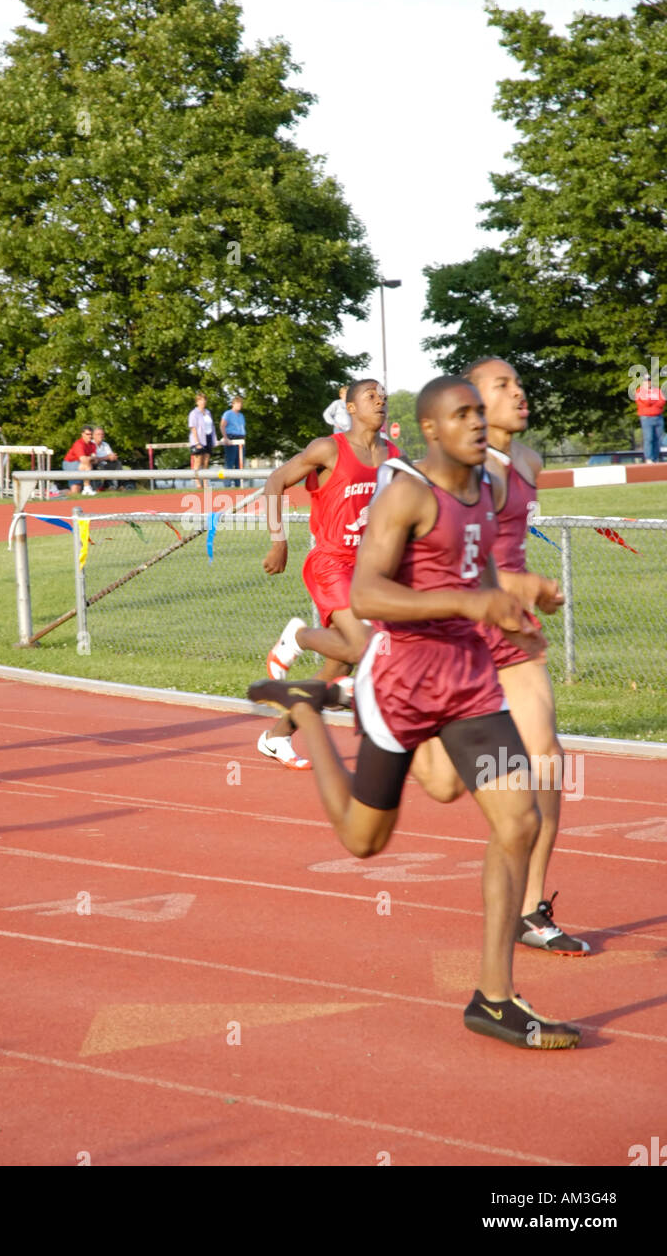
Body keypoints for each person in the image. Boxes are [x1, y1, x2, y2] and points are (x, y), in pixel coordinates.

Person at [248, 376, 580, 1049]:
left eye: (478, 413)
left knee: (518, 820)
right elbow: (367, 595)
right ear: (430, 429)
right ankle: (311, 710)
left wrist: (512, 600)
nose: (477, 423)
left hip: (468, 682)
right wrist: (468, 605)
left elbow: (476, 569)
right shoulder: (407, 493)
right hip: (398, 684)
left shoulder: (484, 490)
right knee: (364, 841)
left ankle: (493, 997)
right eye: (463, 415)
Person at [411, 358, 588, 955]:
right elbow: (457, 563)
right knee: (440, 786)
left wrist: (530, 593)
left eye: (518, 383)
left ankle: (531, 910)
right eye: (501, 386)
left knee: (548, 760)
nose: (518, 392)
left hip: (512, 636)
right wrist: (522, 583)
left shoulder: (530, 461)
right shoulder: (461, 472)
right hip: (453, 634)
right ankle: (399, 722)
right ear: (473, 405)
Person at [258, 379, 397, 770]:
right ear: (350, 407)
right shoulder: (328, 449)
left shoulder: (394, 455)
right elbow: (274, 482)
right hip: (331, 562)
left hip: (370, 570)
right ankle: (298, 635)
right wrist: (278, 540)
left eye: (383, 395)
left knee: (339, 667)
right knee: (360, 647)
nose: (381, 401)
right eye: (371, 396)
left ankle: (277, 735)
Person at [635, 371, 665, 463]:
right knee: (649, 438)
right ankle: (649, 458)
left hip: (658, 416)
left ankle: (655, 458)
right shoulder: (639, 391)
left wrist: (652, 401)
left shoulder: (657, 390)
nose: (648, 382)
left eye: (649, 380)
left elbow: (662, 401)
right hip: (646, 418)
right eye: (646, 381)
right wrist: (653, 401)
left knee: (658, 439)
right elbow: (646, 402)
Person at [188, 393, 216, 486]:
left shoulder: (208, 412)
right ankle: (197, 482)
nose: (202, 402)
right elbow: (193, 428)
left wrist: (213, 439)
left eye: (204, 400)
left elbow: (212, 426)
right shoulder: (194, 413)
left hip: (207, 437)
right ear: (197, 402)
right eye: (200, 400)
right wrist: (197, 442)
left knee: (206, 461)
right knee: (198, 461)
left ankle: (205, 481)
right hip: (198, 439)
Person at [220, 395, 246, 487]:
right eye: (237, 403)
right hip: (231, 438)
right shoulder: (228, 414)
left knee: (240, 462)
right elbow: (222, 425)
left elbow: (242, 428)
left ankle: (238, 484)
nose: (239, 405)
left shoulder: (241, 415)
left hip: (241, 439)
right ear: (233, 404)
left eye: (240, 404)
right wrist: (225, 438)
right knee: (229, 462)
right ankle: (227, 484)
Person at [63, 427, 97, 496]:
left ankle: (86, 488)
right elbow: (84, 459)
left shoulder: (92, 445)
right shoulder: (79, 444)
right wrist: (91, 458)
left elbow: (95, 460)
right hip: (70, 463)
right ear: (82, 434)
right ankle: (87, 487)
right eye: (87, 434)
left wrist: (90, 459)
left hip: (80, 465)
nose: (90, 436)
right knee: (87, 464)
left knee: (76, 491)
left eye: (91, 434)